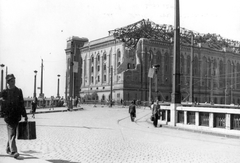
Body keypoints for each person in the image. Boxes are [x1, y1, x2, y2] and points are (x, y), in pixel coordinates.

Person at [0, 74, 28, 158]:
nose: (13, 82)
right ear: (7, 82)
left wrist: (24, 115)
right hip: (8, 116)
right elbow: (1, 104)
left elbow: (21, 104)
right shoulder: (4, 92)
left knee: (13, 133)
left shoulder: (19, 91)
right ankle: (13, 151)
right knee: (12, 132)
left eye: (14, 81)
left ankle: (8, 149)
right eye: (11, 81)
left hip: (16, 115)